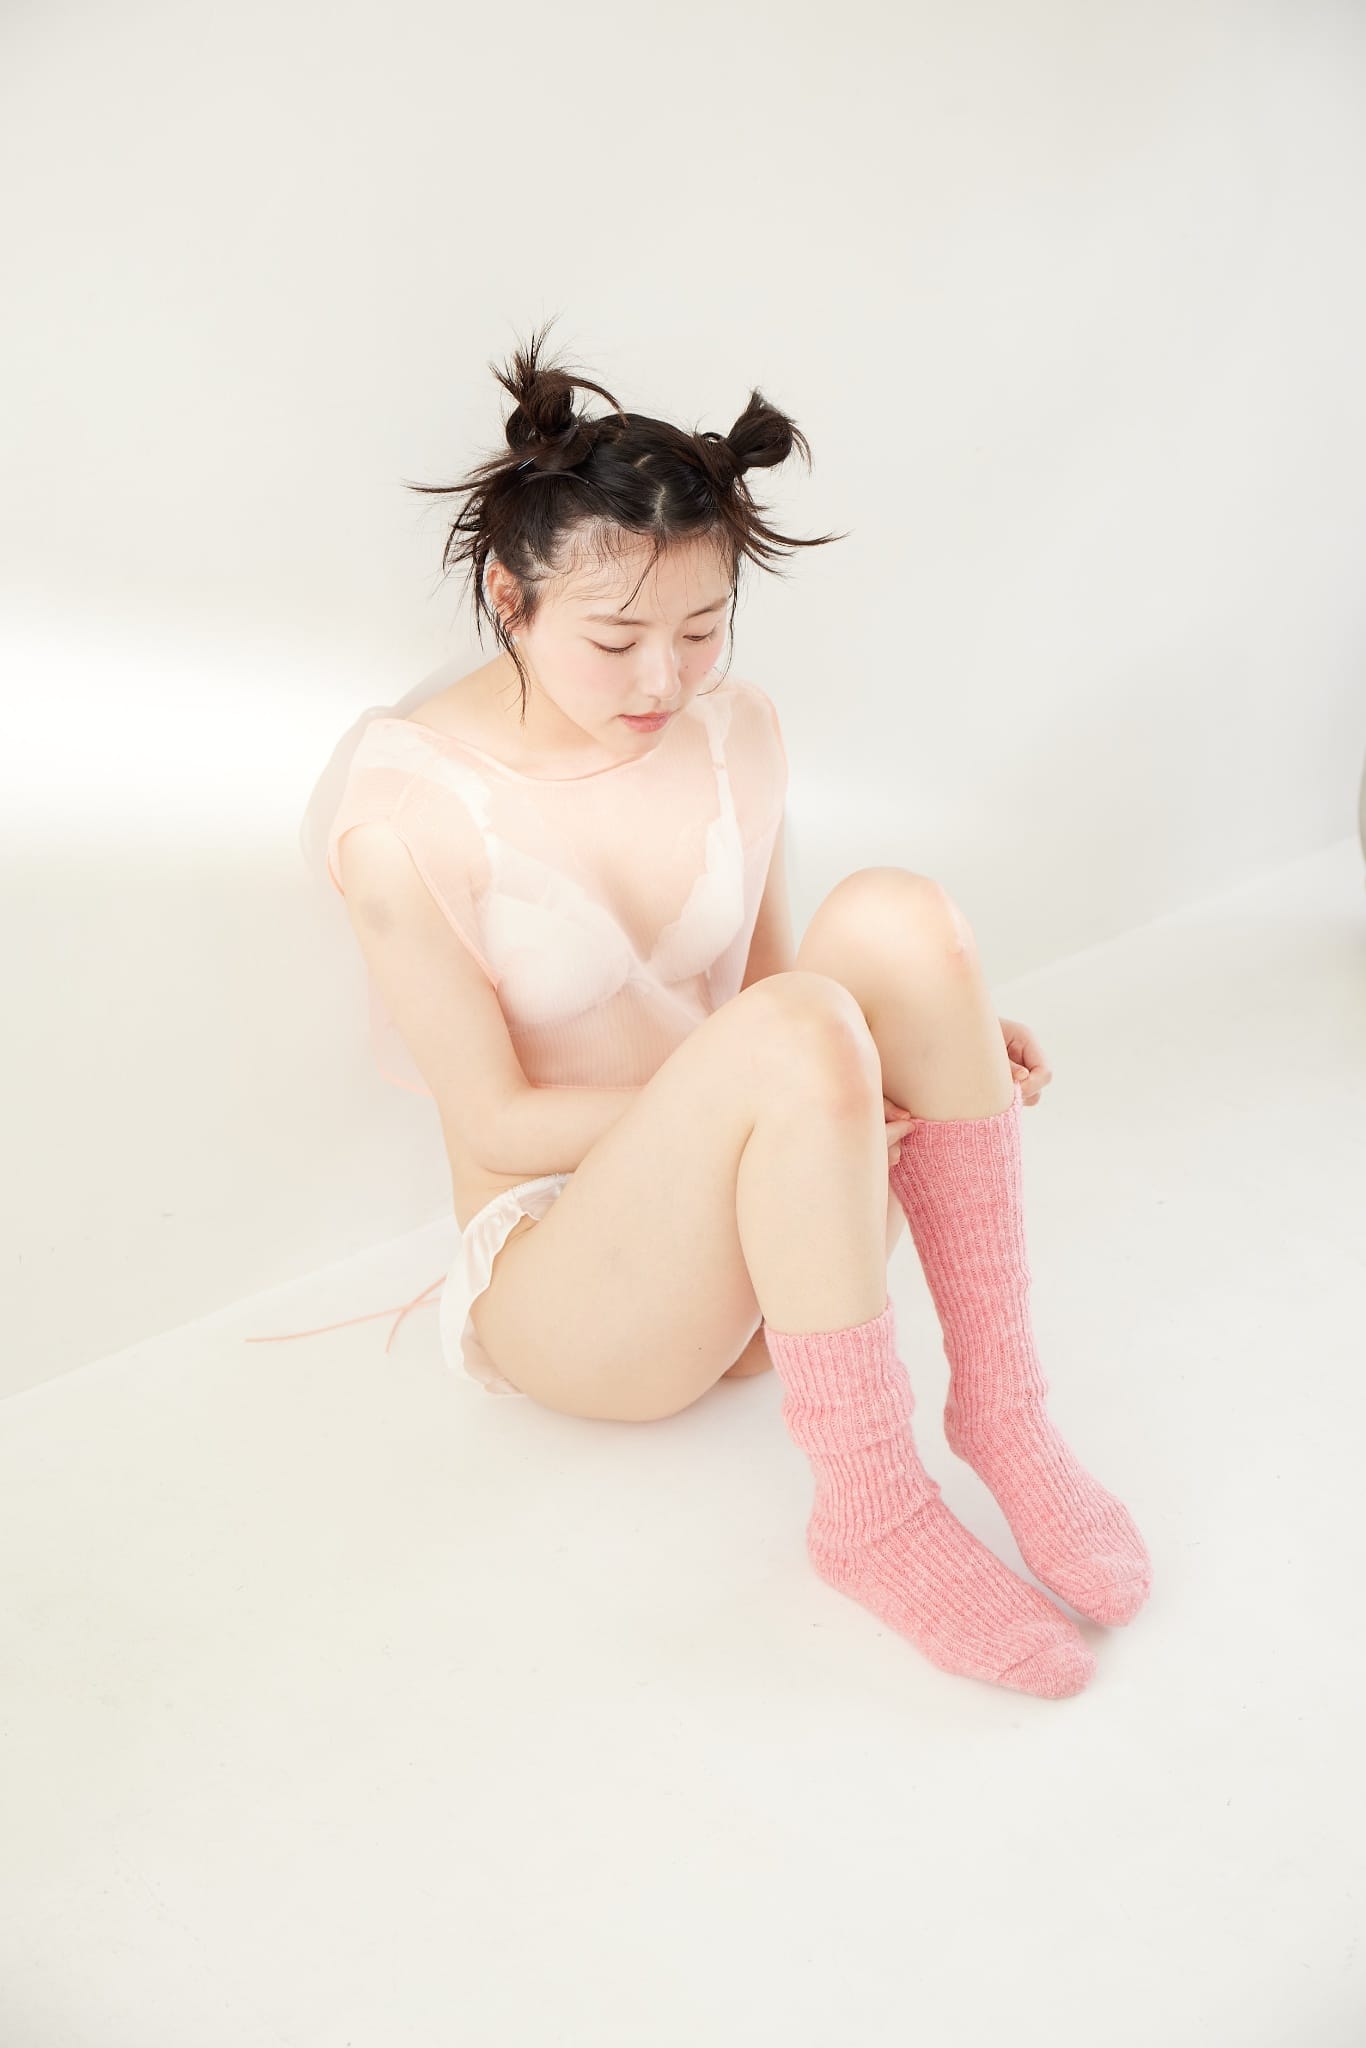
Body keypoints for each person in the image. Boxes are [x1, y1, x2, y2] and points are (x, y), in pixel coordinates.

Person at [254, 320, 1151, 1699]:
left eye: (700, 629)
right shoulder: (407, 814)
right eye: (614, 640)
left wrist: (927, 1045)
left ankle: (1005, 1416)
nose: (663, 681)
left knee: (900, 919)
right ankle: (871, 1512)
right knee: (800, 1038)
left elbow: (776, 987)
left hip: (768, 1210)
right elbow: (496, 1120)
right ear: (507, 597)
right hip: (573, 1289)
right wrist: (801, 1090)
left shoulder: (735, 730)